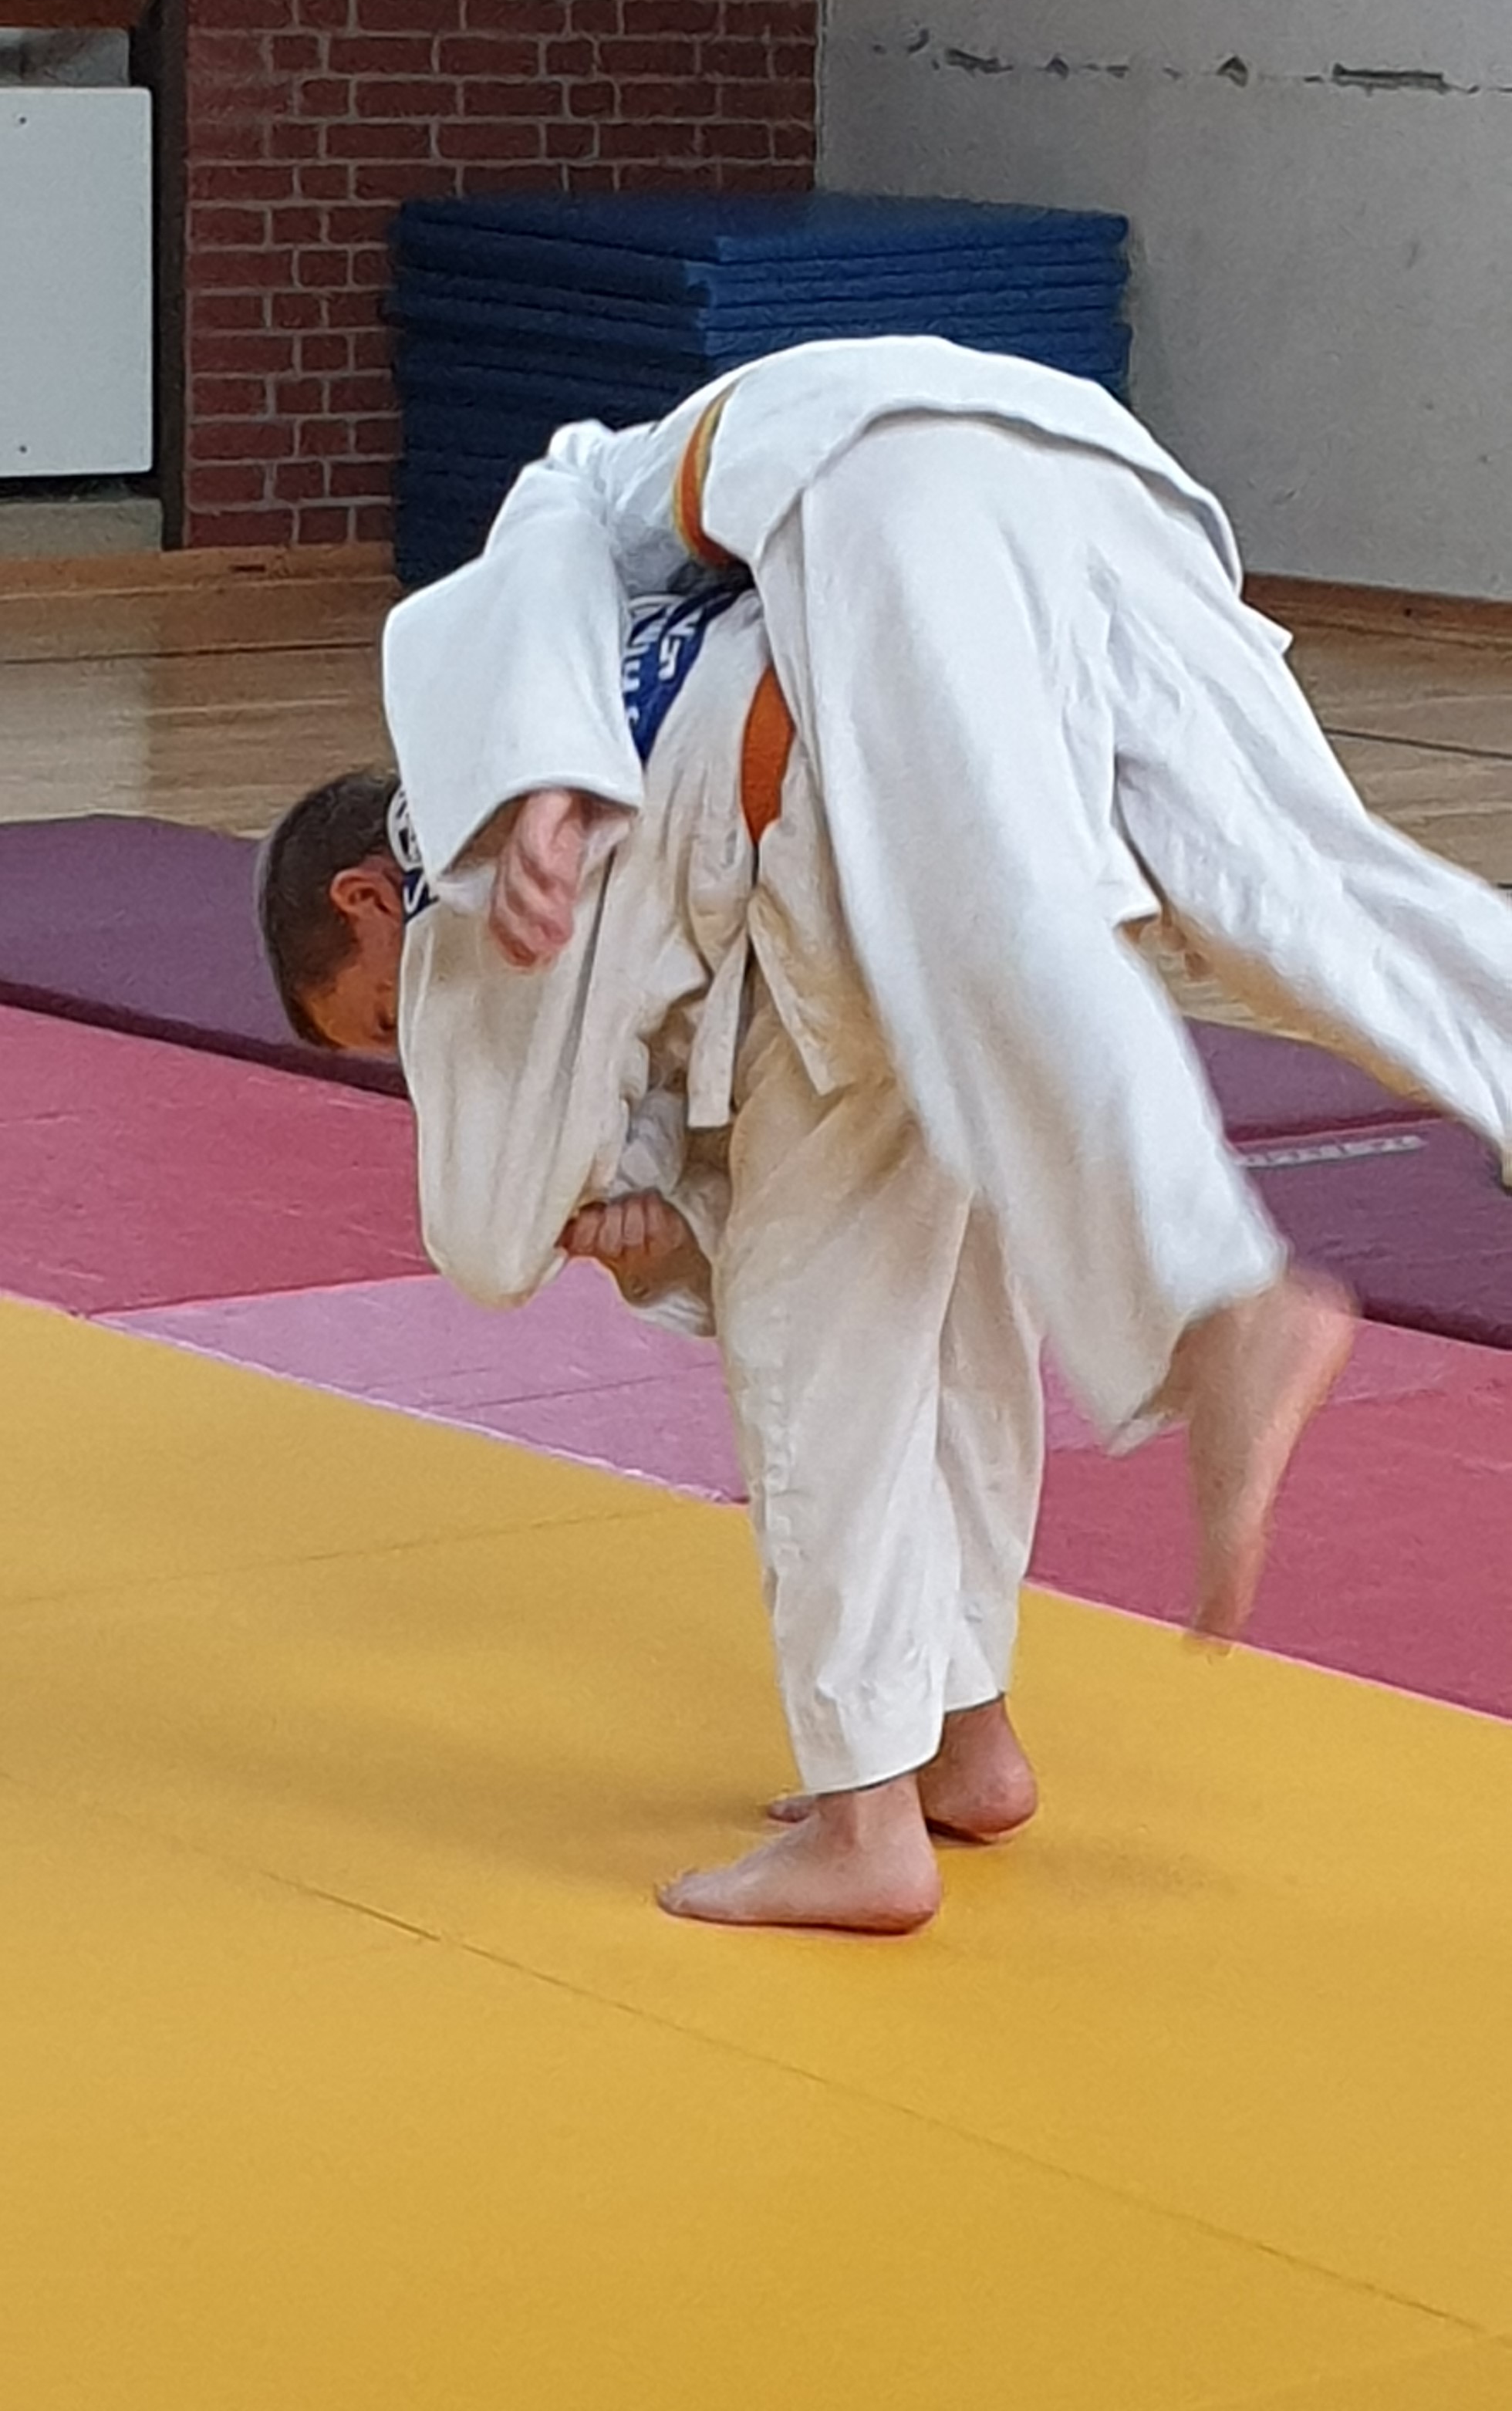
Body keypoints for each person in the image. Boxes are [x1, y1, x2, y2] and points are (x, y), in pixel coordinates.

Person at [382, 336, 1512, 1710]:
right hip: (1111, 478)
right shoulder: (654, 612)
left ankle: (1222, 1297)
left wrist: (539, 775)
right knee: (1302, 887)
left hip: (878, 464)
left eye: (374, 1014)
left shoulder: (578, 494)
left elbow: (541, 537)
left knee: (984, 890)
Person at [258, 583, 1047, 1935]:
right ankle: (967, 1740)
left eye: (388, 1015)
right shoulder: (566, 670)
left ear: (367, 898)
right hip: (988, 795)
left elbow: (494, 1232)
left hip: (834, 859)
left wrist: (626, 1202)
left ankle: (867, 1823)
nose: (415, 1047)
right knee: (952, 1328)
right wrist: (659, 1213)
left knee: (816, 1366)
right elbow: (676, 1043)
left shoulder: (461, 855)